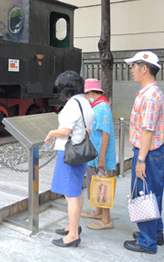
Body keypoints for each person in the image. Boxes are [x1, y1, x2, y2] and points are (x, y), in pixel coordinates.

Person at [123, 51, 164, 255]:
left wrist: (140, 159)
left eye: (134, 66)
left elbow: (147, 131)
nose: (131, 69)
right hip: (156, 153)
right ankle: (156, 233)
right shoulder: (153, 92)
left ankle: (147, 241)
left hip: (148, 154)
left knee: (143, 194)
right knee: (154, 193)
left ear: (144, 68)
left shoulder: (149, 96)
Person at [45, 70, 95, 248]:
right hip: (81, 152)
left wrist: (51, 133)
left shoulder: (72, 104)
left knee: (71, 195)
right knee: (76, 191)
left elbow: (65, 131)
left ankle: (73, 235)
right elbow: (88, 130)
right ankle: (74, 226)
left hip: (69, 153)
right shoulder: (86, 103)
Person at [81, 78, 116, 230]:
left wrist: (101, 157)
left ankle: (106, 219)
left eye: (86, 94)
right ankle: (98, 211)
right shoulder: (97, 106)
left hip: (99, 156)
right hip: (93, 155)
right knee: (95, 183)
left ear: (91, 93)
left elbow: (105, 133)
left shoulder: (102, 107)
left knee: (102, 185)